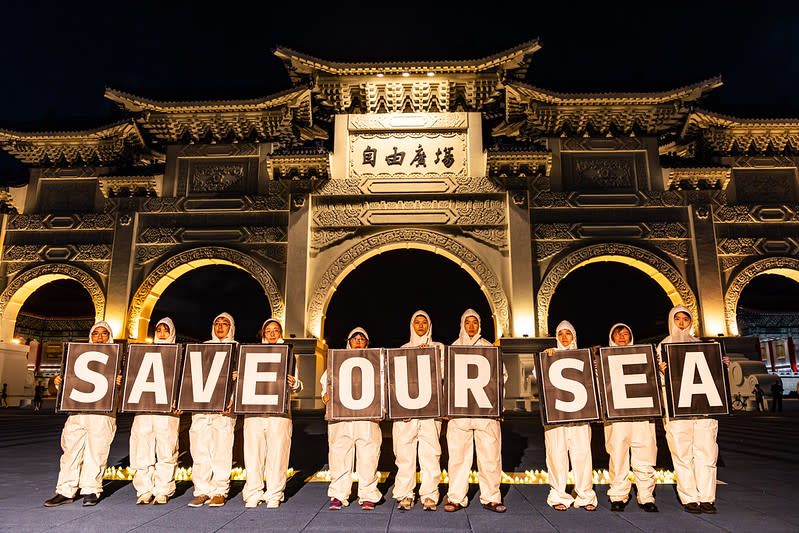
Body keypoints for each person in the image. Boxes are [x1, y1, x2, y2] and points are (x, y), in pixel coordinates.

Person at [658, 304, 727, 514]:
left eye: (685, 319)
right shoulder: (662, 348)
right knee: (682, 454)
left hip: (703, 410)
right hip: (677, 412)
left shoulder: (704, 346)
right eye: (677, 319)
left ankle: (707, 498)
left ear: (690, 322)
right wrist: (661, 371)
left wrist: (722, 365)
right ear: (671, 321)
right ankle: (689, 498)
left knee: (706, 453)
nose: (681, 323)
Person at [44, 321, 118, 507]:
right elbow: (68, 388)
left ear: (109, 337)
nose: (99, 337)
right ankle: (65, 490)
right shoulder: (77, 359)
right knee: (70, 452)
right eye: (96, 334)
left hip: (102, 415)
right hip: (77, 413)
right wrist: (59, 381)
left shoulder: (118, 360)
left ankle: (91, 489)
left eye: (104, 334)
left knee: (96, 452)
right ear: (90, 336)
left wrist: (120, 382)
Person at [444, 309, 507, 514]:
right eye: (467, 322)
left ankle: (491, 497)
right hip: (459, 414)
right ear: (462, 324)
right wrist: (445, 405)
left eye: (474, 322)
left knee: (490, 457)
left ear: (479, 325)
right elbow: (445, 380)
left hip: (485, 414)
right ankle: (456, 497)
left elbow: (501, 378)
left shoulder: (488, 348)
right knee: (458, 458)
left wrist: (499, 405)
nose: (471, 326)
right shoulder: (453, 349)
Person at [241, 318, 303, 509]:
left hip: (279, 415)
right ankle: (253, 492)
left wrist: (295, 384)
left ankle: (274, 493)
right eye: (268, 330)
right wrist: (237, 377)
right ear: (263, 333)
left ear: (281, 333)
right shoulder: (249, 355)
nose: (272, 333)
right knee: (253, 454)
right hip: (254, 414)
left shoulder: (289, 355)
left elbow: (298, 385)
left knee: (278, 454)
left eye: (276, 330)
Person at [322, 328, 382, 510]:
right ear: (348, 341)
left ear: (367, 343)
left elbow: (383, 385)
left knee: (368, 456)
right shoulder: (337, 363)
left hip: (367, 420)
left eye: (361, 339)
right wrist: (325, 395)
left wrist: (382, 406)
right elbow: (325, 383)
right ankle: (339, 494)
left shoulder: (375, 364)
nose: (358, 341)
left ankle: (368, 494)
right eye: (354, 338)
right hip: (341, 420)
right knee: (339, 456)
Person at [542, 320, 597, 512]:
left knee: (582, 454)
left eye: (568, 333)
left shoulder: (584, 358)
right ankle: (559, 494)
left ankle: (585, 494)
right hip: (557, 416)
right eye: (560, 334)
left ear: (574, 335)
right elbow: (537, 378)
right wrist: (546, 359)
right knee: (557, 454)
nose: (564, 338)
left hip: (580, 415)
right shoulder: (549, 355)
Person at [393, 310, 445, 511]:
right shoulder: (403, 349)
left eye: (424, 322)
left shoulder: (438, 348)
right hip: (408, 413)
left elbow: (445, 376)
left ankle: (430, 495)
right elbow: (397, 380)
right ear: (412, 325)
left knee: (431, 453)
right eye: (417, 322)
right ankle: (405, 494)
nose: (421, 326)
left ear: (429, 325)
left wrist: (429, 355)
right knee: (405, 453)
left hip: (431, 412)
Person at [603, 323, 658, 512]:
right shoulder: (604, 359)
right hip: (617, 418)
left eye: (625, 334)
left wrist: (660, 369)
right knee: (618, 457)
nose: (622, 337)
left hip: (641, 416)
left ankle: (646, 496)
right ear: (612, 337)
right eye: (617, 334)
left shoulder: (643, 357)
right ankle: (618, 495)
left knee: (645, 455)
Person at [129, 317, 181, 505]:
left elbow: (185, 382)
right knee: (141, 450)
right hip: (143, 410)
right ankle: (143, 489)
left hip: (167, 413)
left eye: (165, 330)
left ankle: (163, 490)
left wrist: (180, 401)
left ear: (172, 332)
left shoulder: (179, 356)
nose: (161, 333)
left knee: (166, 451)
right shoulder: (142, 354)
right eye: (158, 329)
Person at [188, 313, 237, 508]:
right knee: (199, 451)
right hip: (201, 409)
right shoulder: (202, 348)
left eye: (225, 324)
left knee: (221, 451)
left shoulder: (238, 349)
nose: (220, 327)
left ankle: (219, 491)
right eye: (217, 323)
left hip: (224, 410)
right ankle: (201, 491)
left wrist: (232, 397)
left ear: (231, 327)